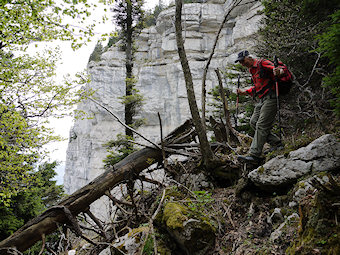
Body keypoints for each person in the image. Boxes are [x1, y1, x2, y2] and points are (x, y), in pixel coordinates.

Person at [235, 50, 284, 163]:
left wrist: (279, 72)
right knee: (253, 122)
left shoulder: (262, 63)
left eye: (243, 61)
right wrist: (244, 92)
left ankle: (254, 155)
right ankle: (277, 143)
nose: (242, 64)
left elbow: (279, 70)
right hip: (262, 99)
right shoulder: (252, 70)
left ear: (249, 57)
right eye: (240, 62)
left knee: (261, 125)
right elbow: (258, 87)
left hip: (271, 97)